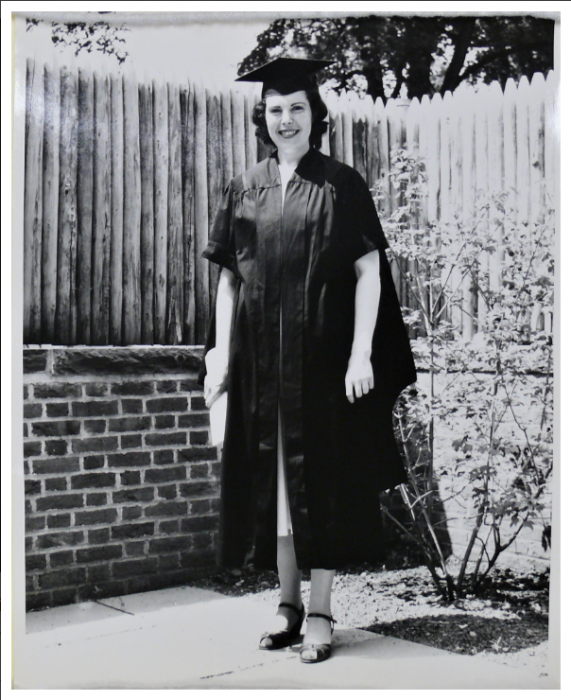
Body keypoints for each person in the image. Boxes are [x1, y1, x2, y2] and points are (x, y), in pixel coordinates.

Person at [201, 57, 417, 664]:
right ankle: (287, 603)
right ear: (262, 117)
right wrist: (221, 353)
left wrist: (359, 354)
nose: (286, 119)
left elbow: (369, 271)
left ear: (315, 115)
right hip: (262, 370)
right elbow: (227, 282)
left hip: (323, 367)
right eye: (275, 109)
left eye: (298, 107)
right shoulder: (244, 186)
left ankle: (320, 609)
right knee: (273, 488)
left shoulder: (340, 185)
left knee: (320, 485)